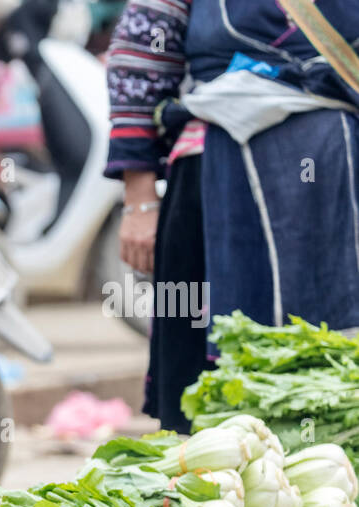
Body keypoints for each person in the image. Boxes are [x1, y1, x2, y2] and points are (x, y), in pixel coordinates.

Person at [107, 0, 359, 429]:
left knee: (337, 383)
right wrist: (139, 199)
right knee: (205, 392)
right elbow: (138, 65)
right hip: (212, 195)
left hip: (339, 185)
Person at [104, 0, 209, 432]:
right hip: (211, 184)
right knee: (199, 385)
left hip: (334, 174)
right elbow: (137, 64)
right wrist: (140, 198)